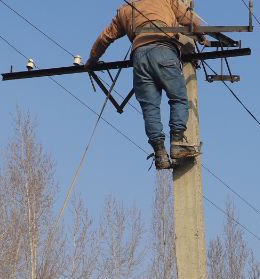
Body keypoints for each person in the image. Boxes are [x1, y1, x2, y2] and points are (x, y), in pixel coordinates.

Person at [87, 0, 204, 170]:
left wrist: (92, 60)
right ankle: (177, 143)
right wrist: (199, 33)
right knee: (178, 98)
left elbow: (106, 37)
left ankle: (160, 154)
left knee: (150, 108)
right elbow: (190, 20)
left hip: (139, 58)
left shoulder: (125, 10)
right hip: (163, 49)